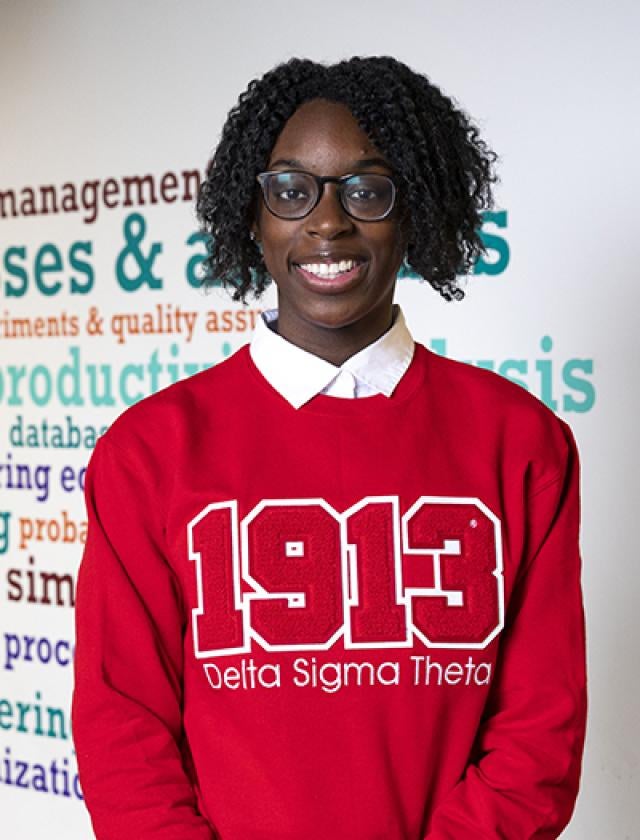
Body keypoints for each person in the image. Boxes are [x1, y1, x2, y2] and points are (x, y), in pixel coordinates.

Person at [72, 56, 587, 839]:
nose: (327, 222)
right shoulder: (149, 452)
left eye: (367, 190)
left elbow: (539, 735)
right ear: (253, 216)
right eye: (290, 190)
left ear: (415, 211)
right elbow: (123, 727)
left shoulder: (521, 443)